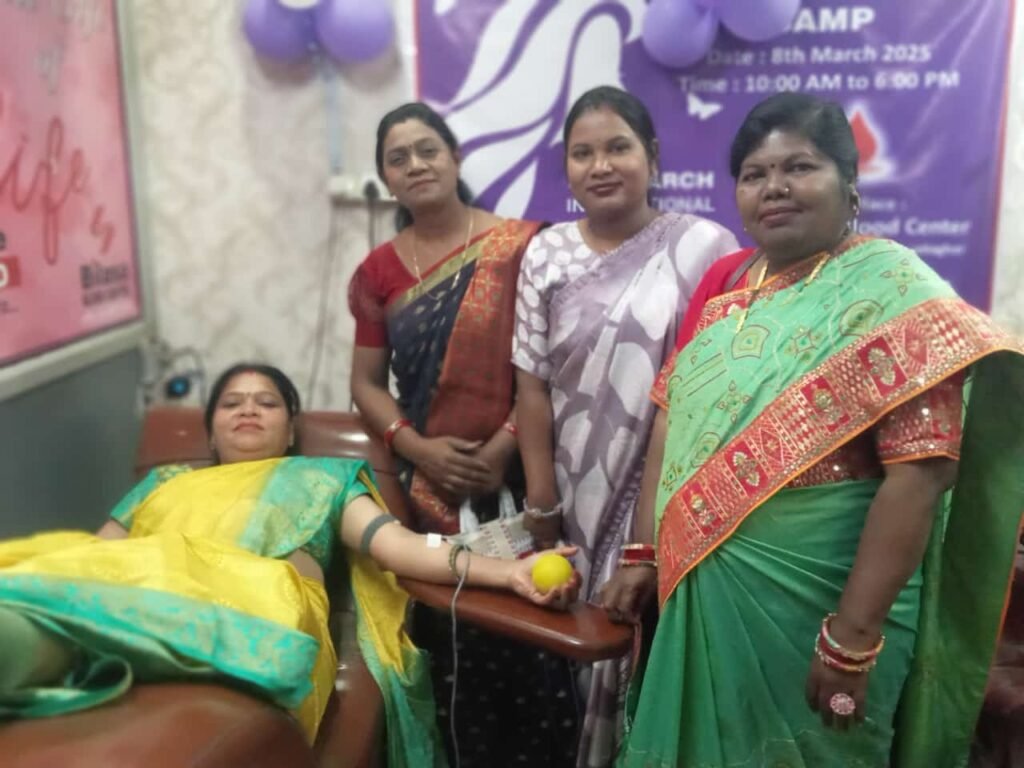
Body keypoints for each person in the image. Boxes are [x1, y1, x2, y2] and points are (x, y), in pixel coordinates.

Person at [611, 92, 1024, 767]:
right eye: (754, 173)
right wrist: (641, 553)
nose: (774, 187)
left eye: (799, 167)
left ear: (849, 183)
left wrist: (851, 639)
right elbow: (670, 425)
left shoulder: (895, 293)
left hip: (826, 608)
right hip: (708, 600)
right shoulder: (726, 303)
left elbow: (921, 476)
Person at [0, 363, 578, 768]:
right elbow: (91, 561)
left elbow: (400, 547)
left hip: (251, 605)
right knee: (39, 603)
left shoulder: (324, 477)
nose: (248, 410)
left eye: (266, 401)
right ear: (210, 430)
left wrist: (508, 572)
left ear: (291, 427)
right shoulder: (165, 482)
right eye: (232, 403)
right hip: (137, 590)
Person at [512, 85, 738, 767]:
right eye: (583, 153)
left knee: (657, 651)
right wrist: (541, 502)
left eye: (618, 147)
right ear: (566, 167)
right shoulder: (546, 252)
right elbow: (531, 387)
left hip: (672, 495)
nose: (601, 165)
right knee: (580, 641)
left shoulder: (705, 246)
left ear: (653, 156)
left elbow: (724, 383)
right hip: (573, 490)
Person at [348, 103, 578, 766]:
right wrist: (417, 449)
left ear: (454, 157)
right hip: (431, 491)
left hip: (528, 479)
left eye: (428, 150)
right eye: (398, 158)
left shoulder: (523, 246)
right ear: (386, 179)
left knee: (540, 633)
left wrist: (507, 442)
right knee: (449, 647)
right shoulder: (377, 273)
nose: (416, 165)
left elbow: (552, 363)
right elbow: (365, 383)